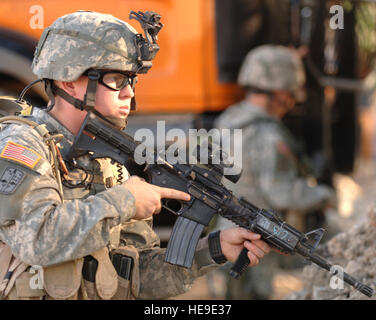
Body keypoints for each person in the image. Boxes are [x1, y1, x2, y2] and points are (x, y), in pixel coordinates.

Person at [0, 11, 272, 300]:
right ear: (69, 81)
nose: (129, 92)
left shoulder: (107, 162)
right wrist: (125, 201)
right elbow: (37, 240)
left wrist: (211, 250)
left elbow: (136, 279)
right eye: (116, 79)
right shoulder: (22, 146)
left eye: (132, 80)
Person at [214, 44, 336, 299]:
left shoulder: (228, 119)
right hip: (258, 235)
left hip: (227, 230)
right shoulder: (267, 134)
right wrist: (324, 196)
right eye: (292, 92)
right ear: (282, 92)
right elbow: (282, 193)